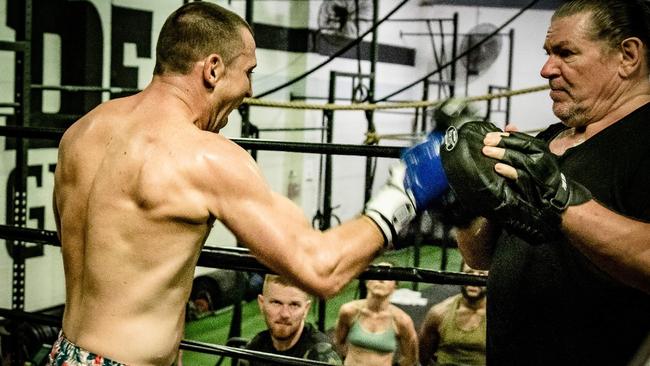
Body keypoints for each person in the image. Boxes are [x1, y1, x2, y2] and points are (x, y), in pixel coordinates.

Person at [48, 2, 451, 365]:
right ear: (213, 68)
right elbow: (321, 269)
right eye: (249, 72)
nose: (250, 90)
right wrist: (407, 191)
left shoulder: (83, 132)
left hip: (65, 352)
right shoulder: (205, 156)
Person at [451, 0, 650, 364]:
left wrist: (560, 198)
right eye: (548, 53)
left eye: (566, 53)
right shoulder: (546, 141)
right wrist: (470, 200)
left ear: (628, 55)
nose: (546, 69)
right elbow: (478, 257)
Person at [239, 274, 341, 366]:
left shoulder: (321, 356)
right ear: (261, 304)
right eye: (276, 303)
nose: (285, 314)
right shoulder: (254, 349)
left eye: (294, 305)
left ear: (306, 309)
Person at [334, 262, 418, 366]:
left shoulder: (402, 320)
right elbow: (338, 342)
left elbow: (411, 357)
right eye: (377, 275)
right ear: (367, 282)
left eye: (388, 277)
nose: (381, 279)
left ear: (395, 286)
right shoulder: (349, 311)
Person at [418, 263, 487, 366]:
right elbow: (424, 356)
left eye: (481, 275)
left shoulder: (500, 316)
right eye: (469, 274)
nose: (473, 281)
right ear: (459, 276)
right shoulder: (439, 313)